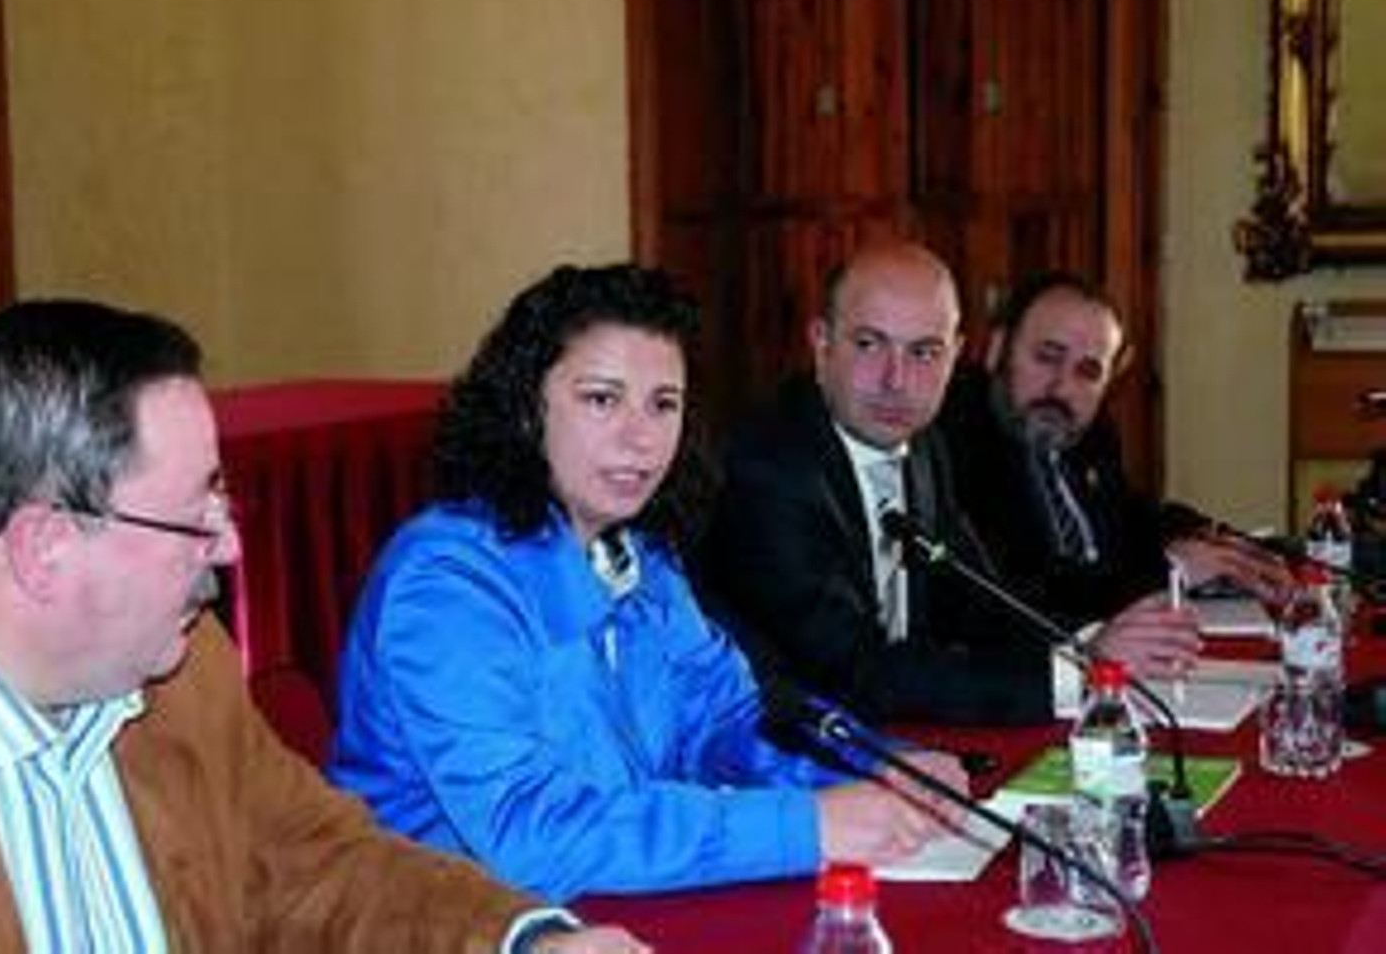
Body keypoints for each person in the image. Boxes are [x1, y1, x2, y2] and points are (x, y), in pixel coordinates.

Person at [0, 300, 642, 953]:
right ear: (43, 548)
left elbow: (311, 862)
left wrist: (526, 940)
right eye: (194, 512)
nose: (229, 546)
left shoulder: (166, 659)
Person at [328, 263, 964, 903]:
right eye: (602, 399)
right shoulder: (446, 586)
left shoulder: (639, 557)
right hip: (455, 926)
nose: (640, 439)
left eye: (663, 405)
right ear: (525, 406)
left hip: (614, 912)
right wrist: (807, 825)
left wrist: (873, 764)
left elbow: (729, 721)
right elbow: (530, 832)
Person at [698, 240, 1055, 726]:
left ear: (956, 355)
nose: (896, 380)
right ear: (821, 344)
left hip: (899, 734)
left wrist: (1089, 650)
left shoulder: (924, 446)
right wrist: (1063, 684)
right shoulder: (769, 466)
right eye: (869, 344)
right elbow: (854, 674)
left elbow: (982, 605)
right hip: (790, 755)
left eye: (925, 353)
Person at [937, 271, 1290, 676]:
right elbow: (1026, 592)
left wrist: (1228, 546)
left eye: (1088, 371)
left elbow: (1134, 516)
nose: (1062, 386)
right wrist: (1170, 570)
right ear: (997, 349)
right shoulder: (956, 440)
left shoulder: (1088, 430)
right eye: (1047, 357)